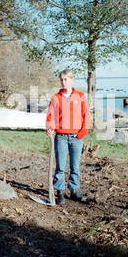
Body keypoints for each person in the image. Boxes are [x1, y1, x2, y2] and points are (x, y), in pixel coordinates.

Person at [46, 69, 91, 204]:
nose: (63, 82)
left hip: (77, 137)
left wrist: (82, 133)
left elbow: (86, 116)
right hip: (60, 137)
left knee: (75, 166)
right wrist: (50, 127)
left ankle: (74, 191)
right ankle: (59, 191)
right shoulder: (55, 97)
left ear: (72, 80)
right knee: (60, 166)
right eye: (61, 79)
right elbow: (50, 115)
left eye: (66, 79)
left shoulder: (80, 96)